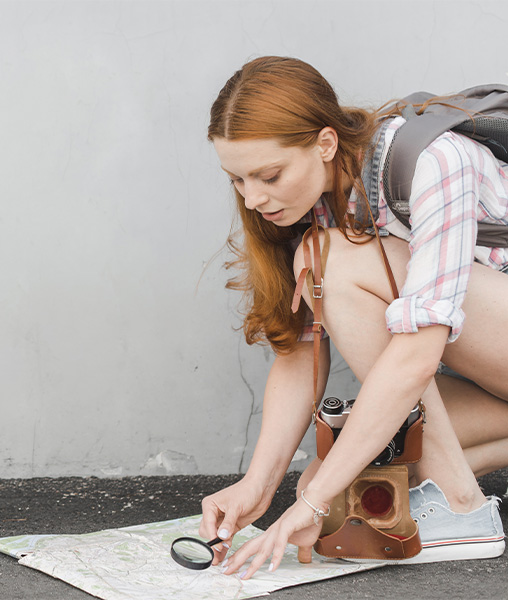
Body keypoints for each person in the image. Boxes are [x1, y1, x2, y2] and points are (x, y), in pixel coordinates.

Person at [198, 56, 508, 580]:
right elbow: (299, 354)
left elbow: (415, 357)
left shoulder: (434, 160)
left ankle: (462, 508)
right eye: (238, 180)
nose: (253, 199)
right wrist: (262, 484)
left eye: (269, 175)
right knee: (335, 483)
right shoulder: (315, 204)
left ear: (324, 144)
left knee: (335, 259)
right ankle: (451, 488)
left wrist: (312, 505)